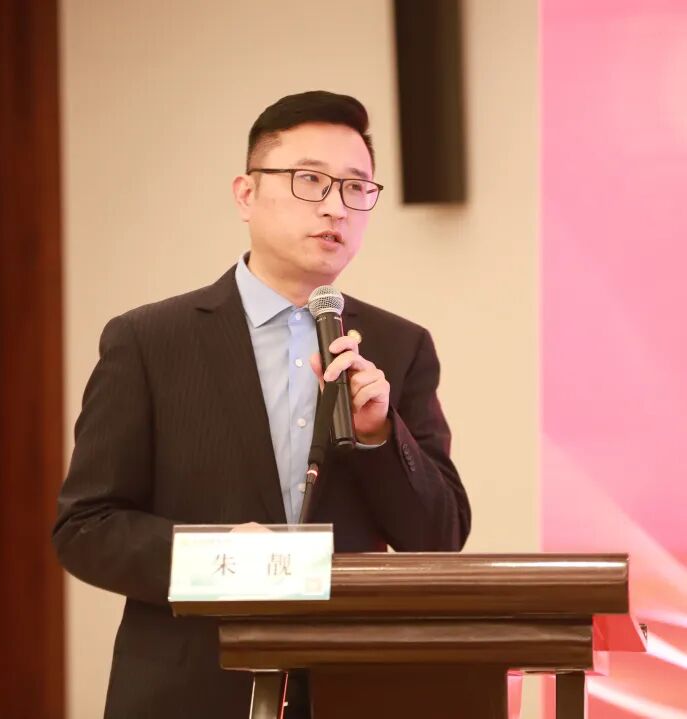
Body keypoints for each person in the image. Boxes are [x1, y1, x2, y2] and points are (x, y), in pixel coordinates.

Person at [53, 90, 471, 719]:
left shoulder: (398, 346)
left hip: (351, 690)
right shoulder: (150, 341)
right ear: (246, 195)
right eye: (310, 180)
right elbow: (86, 528)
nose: (335, 207)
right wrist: (217, 555)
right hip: (192, 689)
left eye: (356, 187)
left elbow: (441, 537)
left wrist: (381, 435)